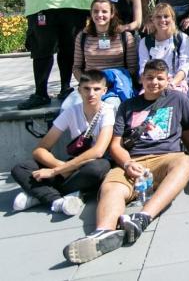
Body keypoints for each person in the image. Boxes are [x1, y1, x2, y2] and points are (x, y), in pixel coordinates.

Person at [63, 59, 189, 264]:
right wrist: (126, 164)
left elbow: (188, 132)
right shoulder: (127, 106)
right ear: (141, 79)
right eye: (150, 77)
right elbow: (115, 145)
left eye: (160, 78)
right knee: (111, 188)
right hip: (133, 159)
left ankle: (143, 218)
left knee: (187, 163)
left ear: (168, 80)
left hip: (167, 158)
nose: (154, 82)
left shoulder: (179, 100)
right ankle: (103, 234)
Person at [11, 70, 114, 216]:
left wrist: (55, 171)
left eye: (96, 89)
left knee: (97, 168)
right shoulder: (71, 112)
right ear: (79, 90)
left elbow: (98, 151)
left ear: (104, 91)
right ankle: (57, 199)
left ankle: (39, 193)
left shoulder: (108, 111)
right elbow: (40, 150)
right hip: (72, 167)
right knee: (20, 168)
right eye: (86, 88)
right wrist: (62, 167)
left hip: (92, 164)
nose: (91, 93)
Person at [72, 0, 138, 108]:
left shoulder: (125, 37)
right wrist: (87, 84)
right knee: (68, 107)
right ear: (91, 14)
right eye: (96, 11)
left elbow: (133, 68)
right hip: (89, 85)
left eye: (104, 11)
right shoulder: (82, 36)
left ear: (112, 14)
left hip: (114, 88)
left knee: (109, 107)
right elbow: (76, 68)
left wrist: (108, 81)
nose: (99, 15)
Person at [138, 3, 189, 93]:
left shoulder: (183, 38)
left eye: (166, 16)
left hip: (176, 82)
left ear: (172, 19)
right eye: (158, 17)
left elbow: (184, 67)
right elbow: (143, 68)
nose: (162, 20)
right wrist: (155, 82)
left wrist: (171, 83)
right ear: (153, 20)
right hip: (153, 82)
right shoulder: (144, 42)